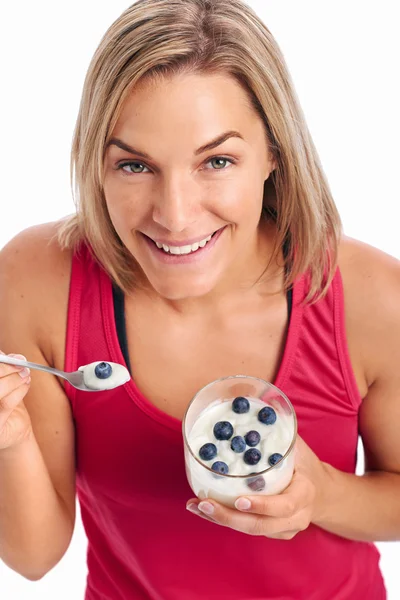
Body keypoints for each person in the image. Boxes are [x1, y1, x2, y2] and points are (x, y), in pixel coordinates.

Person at [0, 0, 399, 598]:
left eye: (216, 161)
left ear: (273, 155)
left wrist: (323, 494)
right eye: (135, 165)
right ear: (95, 165)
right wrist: (8, 436)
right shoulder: (39, 280)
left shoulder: (370, 297)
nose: (176, 216)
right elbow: (33, 558)